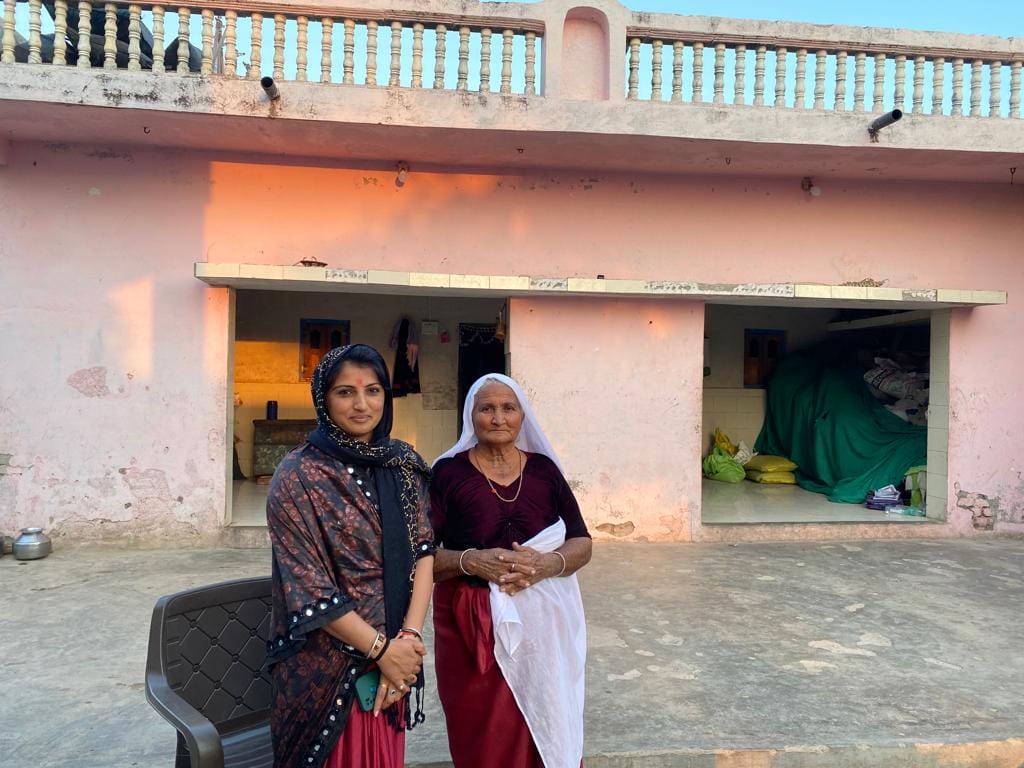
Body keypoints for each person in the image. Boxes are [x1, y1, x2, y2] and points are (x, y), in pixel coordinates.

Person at [265, 344, 435, 768]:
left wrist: (409, 640)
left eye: (373, 391)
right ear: (324, 399)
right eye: (345, 393)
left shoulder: (403, 465)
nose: (362, 405)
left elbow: (424, 552)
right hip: (326, 665)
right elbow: (309, 589)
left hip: (394, 657)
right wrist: (382, 651)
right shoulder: (298, 475)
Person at [430, 373, 592, 768]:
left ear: (523, 416)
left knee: (546, 712)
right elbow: (420, 555)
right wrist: (470, 560)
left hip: (545, 624)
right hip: (471, 623)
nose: (498, 417)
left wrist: (549, 563)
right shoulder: (447, 474)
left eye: (508, 408)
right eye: (487, 408)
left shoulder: (544, 472)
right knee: (485, 729)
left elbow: (582, 541)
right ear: (472, 416)